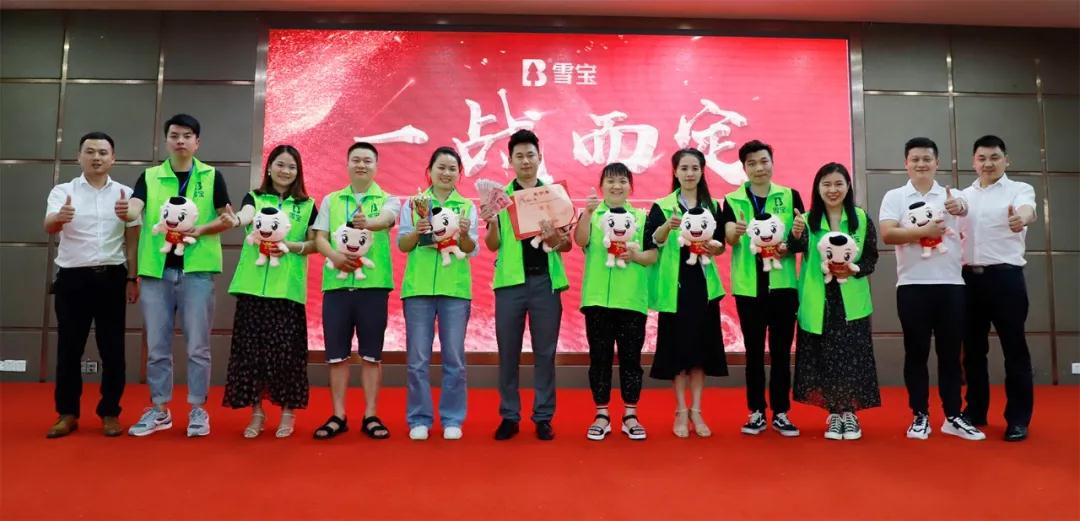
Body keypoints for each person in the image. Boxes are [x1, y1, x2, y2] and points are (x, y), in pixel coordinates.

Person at [117, 114, 238, 437]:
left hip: (197, 272)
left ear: (197, 142)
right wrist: (127, 211)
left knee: (198, 346)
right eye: (174, 135)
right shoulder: (150, 176)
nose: (180, 141)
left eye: (187, 136)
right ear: (166, 140)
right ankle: (159, 410)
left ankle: (198, 409)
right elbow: (135, 207)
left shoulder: (211, 176)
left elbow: (226, 217)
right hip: (156, 273)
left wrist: (203, 229)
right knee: (157, 346)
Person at [879, 137, 984, 441]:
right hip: (912, 286)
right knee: (916, 353)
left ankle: (953, 416)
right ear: (906, 163)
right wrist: (922, 231)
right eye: (915, 159)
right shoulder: (895, 196)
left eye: (927, 159)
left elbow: (965, 212)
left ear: (937, 162)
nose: (921, 164)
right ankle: (919, 416)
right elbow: (888, 234)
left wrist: (960, 207)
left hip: (951, 285)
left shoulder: (954, 195)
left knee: (950, 355)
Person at [44, 132, 140, 438]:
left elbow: (133, 240)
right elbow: (48, 226)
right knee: (68, 349)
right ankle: (67, 413)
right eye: (89, 152)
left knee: (113, 350)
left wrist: (132, 277)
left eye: (102, 152)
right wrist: (60, 218)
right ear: (78, 156)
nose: (96, 157)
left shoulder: (126, 194)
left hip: (112, 277)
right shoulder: (63, 191)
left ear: (113, 158)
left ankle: (110, 412)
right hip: (72, 278)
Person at [483, 129, 572, 441]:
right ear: (510, 160)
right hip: (510, 284)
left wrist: (554, 237)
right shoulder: (500, 198)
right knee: (508, 353)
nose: (525, 161)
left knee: (545, 353)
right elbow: (492, 245)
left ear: (539, 157)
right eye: (518, 156)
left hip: (545, 283)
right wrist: (491, 222)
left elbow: (567, 246)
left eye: (530, 155)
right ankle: (509, 416)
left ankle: (543, 416)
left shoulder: (555, 196)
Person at [223, 145, 317, 439]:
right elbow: (246, 214)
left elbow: (315, 243)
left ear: (298, 172)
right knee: (252, 356)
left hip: (287, 292)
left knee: (287, 357)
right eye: (280, 164)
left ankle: (288, 412)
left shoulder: (308, 205)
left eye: (291, 166)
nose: (285, 171)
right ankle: (257, 413)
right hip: (252, 290)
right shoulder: (254, 197)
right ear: (269, 167)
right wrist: (236, 220)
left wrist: (290, 246)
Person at [311, 142, 400, 440]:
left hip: (373, 287)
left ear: (376, 166)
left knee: (372, 355)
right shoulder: (332, 199)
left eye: (367, 160)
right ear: (347, 164)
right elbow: (320, 237)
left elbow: (387, 220)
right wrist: (335, 257)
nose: (361, 165)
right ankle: (338, 415)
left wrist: (368, 223)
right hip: (336, 286)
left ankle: (371, 415)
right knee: (337, 356)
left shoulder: (388, 199)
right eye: (356, 160)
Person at [791, 163, 881, 440]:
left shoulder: (860, 219)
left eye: (838, 184)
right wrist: (795, 234)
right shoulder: (807, 220)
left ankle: (850, 413)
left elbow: (871, 257)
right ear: (817, 188)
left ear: (848, 187)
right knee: (825, 358)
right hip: (818, 300)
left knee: (851, 357)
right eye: (826, 184)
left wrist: (853, 269)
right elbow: (793, 250)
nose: (833, 190)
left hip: (851, 299)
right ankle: (833, 414)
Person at [722, 140, 805, 437]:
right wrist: (735, 232)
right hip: (749, 288)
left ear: (772, 162)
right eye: (752, 163)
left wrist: (790, 243)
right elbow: (728, 239)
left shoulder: (790, 195)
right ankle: (756, 411)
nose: (759, 168)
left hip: (783, 286)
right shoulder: (732, 200)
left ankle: (781, 412)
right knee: (754, 352)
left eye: (764, 161)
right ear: (744, 168)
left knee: (782, 352)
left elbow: (801, 240)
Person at [644, 148, 728, 438]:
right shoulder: (662, 205)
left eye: (695, 168)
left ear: (702, 171)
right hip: (674, 288)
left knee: (701, 352)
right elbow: (652, 241)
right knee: (678, 353)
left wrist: (715, 247)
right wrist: (667, 226)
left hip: (704, 287)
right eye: (684, 168)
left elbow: (720, 244)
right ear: (675, 172)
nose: (690, 173)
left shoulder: (712, 206)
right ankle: (680, 410)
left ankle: (697, 410)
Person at [959, 135, 1037, 442]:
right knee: (973, 352)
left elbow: (1029, 210)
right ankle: (975, 411)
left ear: (1006, 160)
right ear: (973, 162)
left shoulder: (1019, 189)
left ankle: (1018, 419)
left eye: (994, 157)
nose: (988, 163)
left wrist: (1021, 219)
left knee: (1014, 349)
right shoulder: (964, 197)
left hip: (1006, 279)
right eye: (982, 158)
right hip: (969, 280)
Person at [398, 147, 478, 441]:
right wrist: (417, 231)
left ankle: (452, 418)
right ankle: (419, 418)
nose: (446, 173)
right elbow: (403, 245)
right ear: (429, 171)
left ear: (459, 174)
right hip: (418, 289)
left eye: (452, 168)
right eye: (441, 167)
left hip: (454, 290)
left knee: (454, 359)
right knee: (417, 360)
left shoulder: (466, 206)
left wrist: (465, 234)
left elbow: (470, 249)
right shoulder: (415, 203)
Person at [573, 162, 657, 441]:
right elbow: (580, 241)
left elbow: (652, 256)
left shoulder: (642, 217)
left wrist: (635, 256)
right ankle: (602, 415)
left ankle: (631, 415)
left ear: (631, 186)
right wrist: (587, 213)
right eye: (610, 181)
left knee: (631, 360)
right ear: (602, 186)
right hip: (597, 299)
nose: (616, 186)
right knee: (600, 359)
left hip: (632, 300)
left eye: (622, 181)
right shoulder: (592, 214)